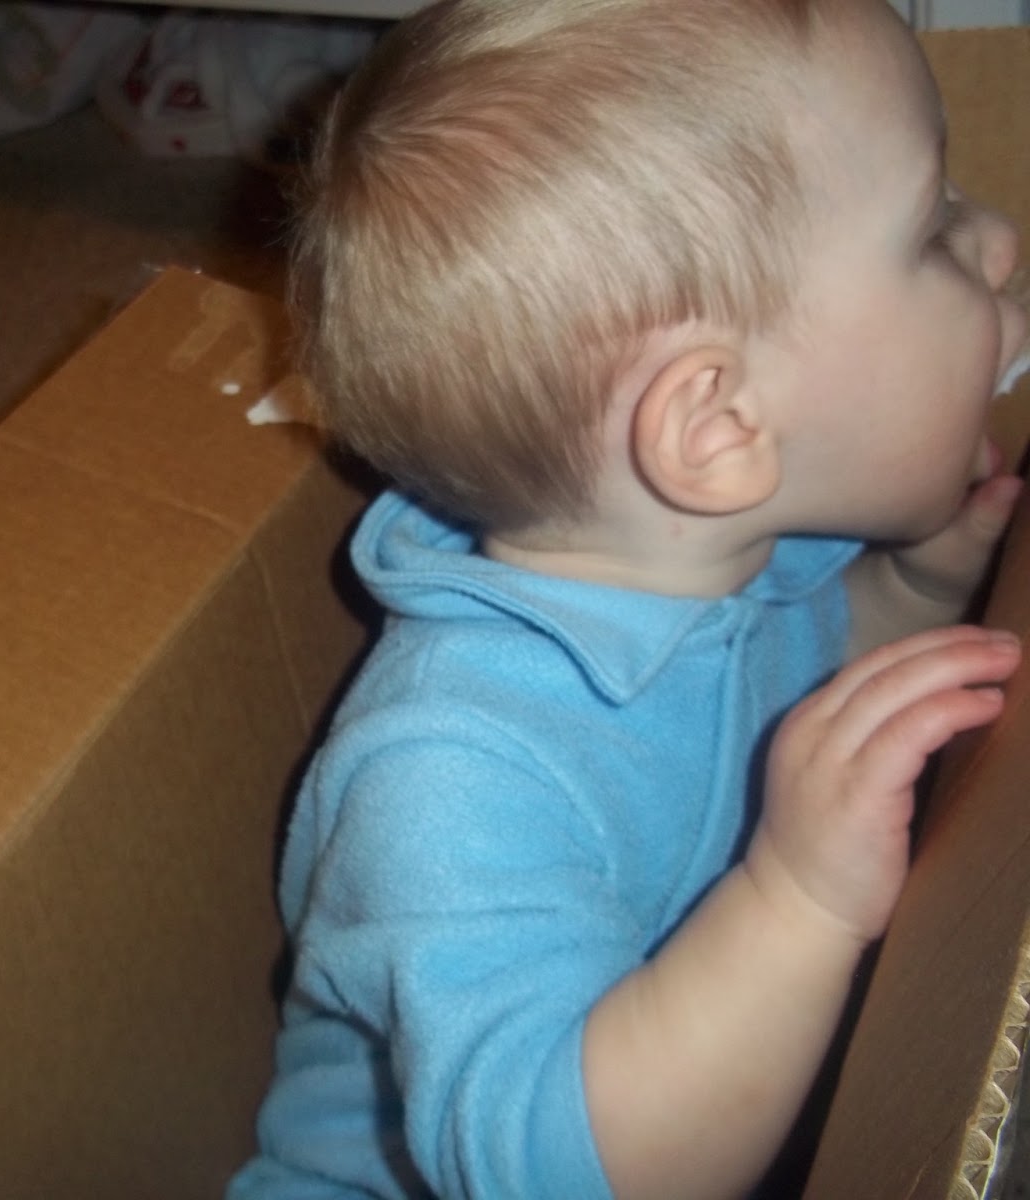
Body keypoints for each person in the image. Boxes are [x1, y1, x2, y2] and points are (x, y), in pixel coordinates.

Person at [227, 0, 1028, 1197]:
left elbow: (805, 679)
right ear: (718, 429)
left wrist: (915, 585)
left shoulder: (734, 548)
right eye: (931, 230)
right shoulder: (450, 781)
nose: (998, 241)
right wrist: (795, 899)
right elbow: (563, 1172)